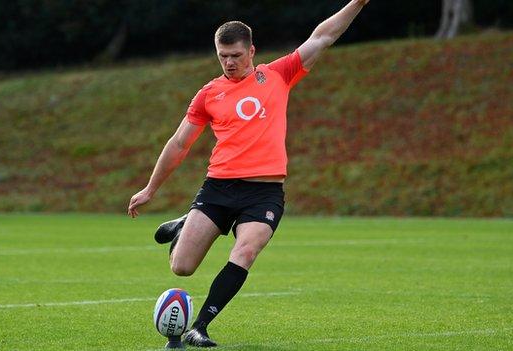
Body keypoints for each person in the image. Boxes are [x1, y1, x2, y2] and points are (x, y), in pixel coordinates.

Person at [128, 0, 371, 347]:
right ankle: (186, 223)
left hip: (263, 193)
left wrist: (358, 2)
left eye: (236, 55)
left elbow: (324, 36)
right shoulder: (208, 94)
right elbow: (179, 143)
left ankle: (200, 326)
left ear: (252, 51)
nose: (229, 63)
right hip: (218, 188)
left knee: (245, 251)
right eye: (223, 56)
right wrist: (151, 189)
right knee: (181, 267)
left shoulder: (277, 75)